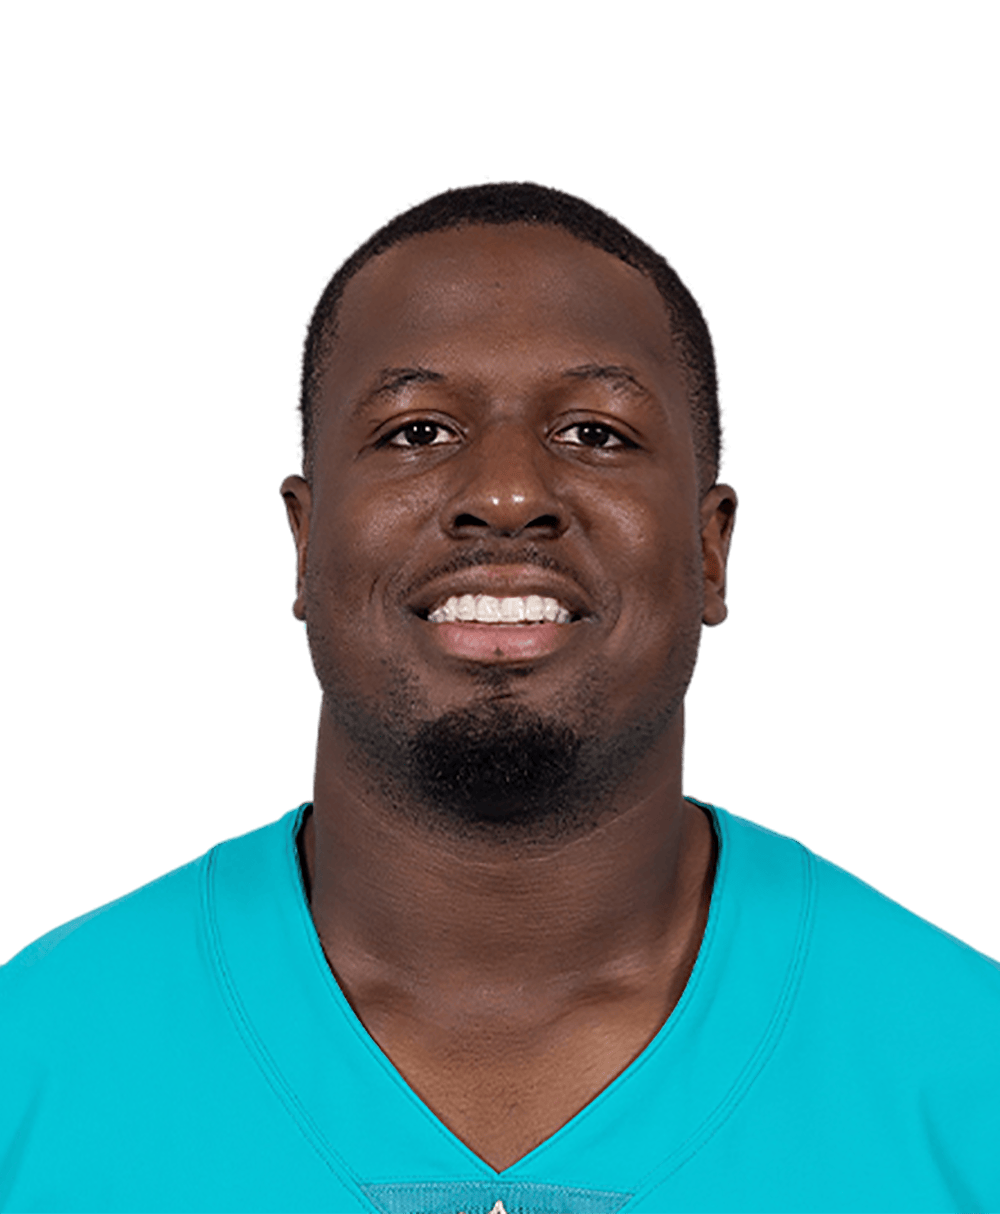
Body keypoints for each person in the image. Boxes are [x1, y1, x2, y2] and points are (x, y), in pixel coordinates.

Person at [1, 181, 997, 1214]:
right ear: (304, 541)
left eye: (596, 434)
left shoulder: (971, 1075)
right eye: (417, 431)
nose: (510, 495)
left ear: (711, 548)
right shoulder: (28, 1061)